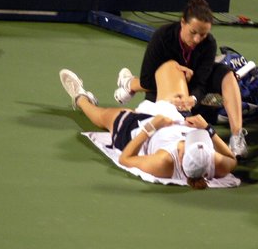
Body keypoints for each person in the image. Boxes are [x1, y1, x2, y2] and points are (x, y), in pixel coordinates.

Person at [59, 61, 238, 190]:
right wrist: (208, 129)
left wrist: (151, 127)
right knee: (171, 67)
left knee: (102, 116)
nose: (194, 139)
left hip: (138, 130)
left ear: (182, 156)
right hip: (175, 116)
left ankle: (81, 98)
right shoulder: (211, 162)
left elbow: (125, 159)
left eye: (189, 143)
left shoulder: (164, 163)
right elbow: (232, 159)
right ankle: (130, 84)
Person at [113, 0, 248, 158]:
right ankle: (131, 84)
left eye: (203, 35)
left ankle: (237, 136)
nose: (197, 39)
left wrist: (194, 99)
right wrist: (175, 72)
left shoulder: (209, 43)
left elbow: (201, 83)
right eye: (193, 32)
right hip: (163, 85)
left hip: (193, 87)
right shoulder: (162, 37)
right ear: (183, 23)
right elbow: (148, 80)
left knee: (227, 74)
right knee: (154, 82)